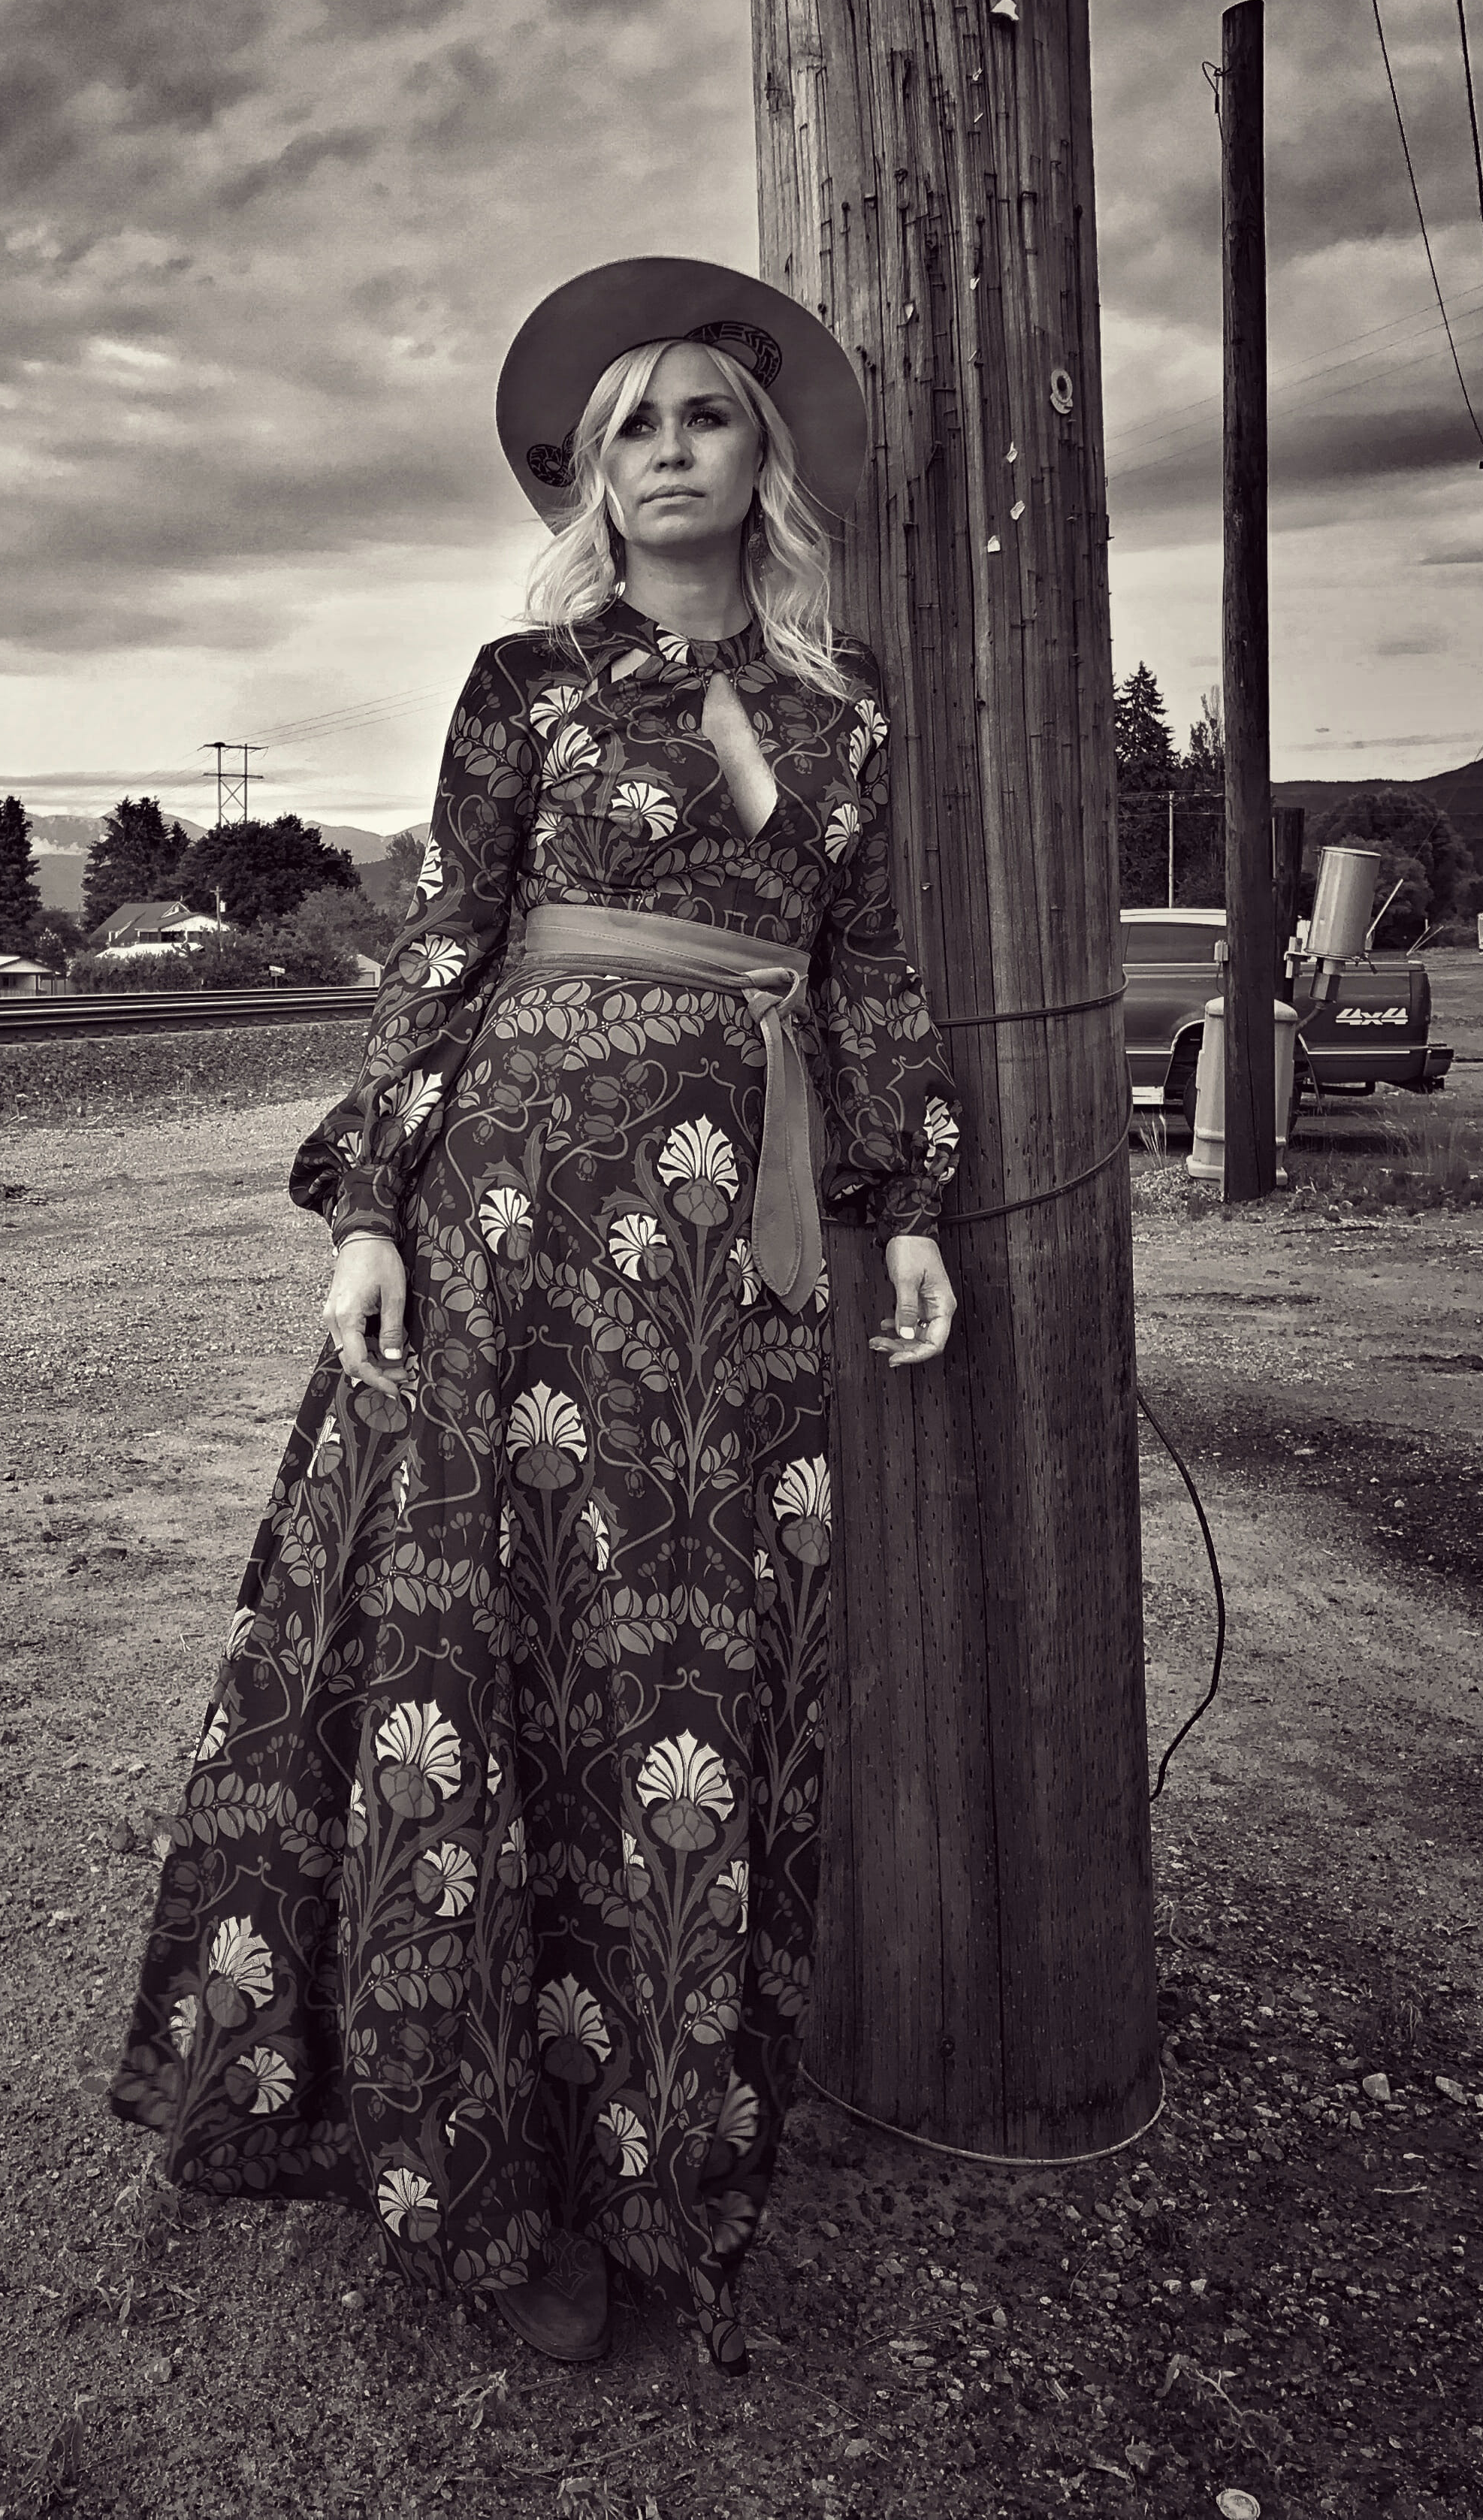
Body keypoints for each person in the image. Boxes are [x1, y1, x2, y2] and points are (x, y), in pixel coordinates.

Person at [110, 257, 962, 2371]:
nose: (671, 449)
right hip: (511, 1221)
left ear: (769, 461)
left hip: (738, 1269)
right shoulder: (530, 688)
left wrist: (914, 1203)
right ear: (593, 477)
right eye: (632, 426)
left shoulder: (848, 725)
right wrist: (373, 1206)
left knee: (693, 1668)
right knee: (482, 1651)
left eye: (707, 417)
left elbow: (863, 981)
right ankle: (474, 2172)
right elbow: (440, 946)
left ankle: (662, 2156)